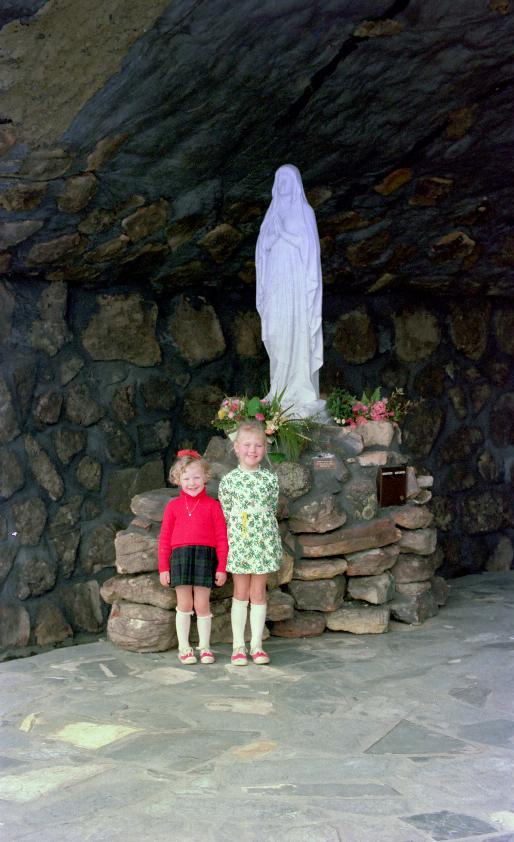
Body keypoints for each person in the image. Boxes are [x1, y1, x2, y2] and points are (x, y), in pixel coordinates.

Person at [255, 163, 325, 419]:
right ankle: (279, 388)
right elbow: (261, 253)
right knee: (277, 333)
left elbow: (309, 250)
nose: (283, 185)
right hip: (276, 282)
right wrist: (273, 240)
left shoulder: (304, 212)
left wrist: (285, 235)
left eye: (287, 180)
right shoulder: (270, 215)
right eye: (279, 180)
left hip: (295, 286)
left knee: (296, 333)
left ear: (294, 184)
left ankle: (298, 388)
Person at [218, 421, 282, 665]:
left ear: (265, 449)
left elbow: (271, 509)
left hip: (263, 542)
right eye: (247, 445)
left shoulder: (269, 479)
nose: (252, 450)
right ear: (236, 447)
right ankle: (238, 646)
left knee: (258, 593)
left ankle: (257, 645)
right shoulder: (229, 481)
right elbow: (225, 514)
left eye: (258, 445)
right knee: (240, 592)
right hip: (240, 543)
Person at [158, 449, 228, 665]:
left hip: (205, 558)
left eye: (196, 477)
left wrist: (221, 567)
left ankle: (205, 648)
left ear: (205, 477)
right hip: (180, 557)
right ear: (178, 480)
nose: (191, 482)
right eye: (186, 478)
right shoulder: (173, 506)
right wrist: (163, 568)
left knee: (202, 604)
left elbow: (222, 539)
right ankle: (184, 648)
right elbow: (164, 539)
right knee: (185, 603)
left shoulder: (213, 506)